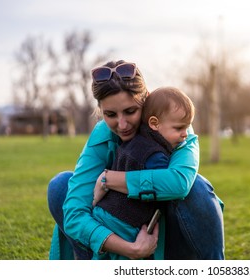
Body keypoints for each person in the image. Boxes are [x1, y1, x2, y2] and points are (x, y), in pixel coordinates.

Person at [47, 60, 224, 260]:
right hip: (117, 237)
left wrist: (110, 179)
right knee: (60, 185)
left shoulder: (176, 124)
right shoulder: (102, 134)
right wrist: (132, 249)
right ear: (100, 111)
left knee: (197, 187)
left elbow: (180, 183)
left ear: (145, 100)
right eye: (111, 114)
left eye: (130, 111)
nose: (122, 124)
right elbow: (74, 214)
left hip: (165, 238)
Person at [92, 86, 214, 260]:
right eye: (179, 128)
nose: (185, 134)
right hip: (124, 222)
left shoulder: (137, 140)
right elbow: (168, 186)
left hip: (107, 214)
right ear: (155, 124)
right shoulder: (155, 156)